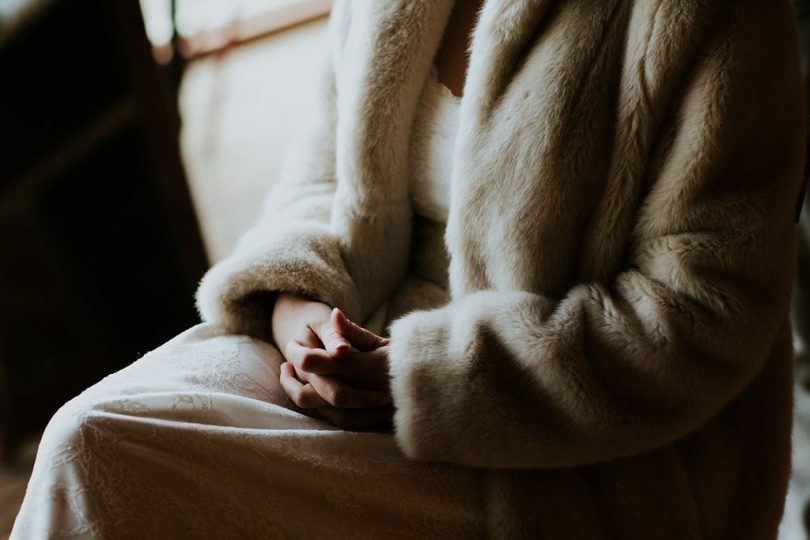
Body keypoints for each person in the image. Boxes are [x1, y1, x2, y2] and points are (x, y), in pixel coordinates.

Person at [12, 0, 806, 537]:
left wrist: (423, 380)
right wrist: (299, 314)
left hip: (571, 442)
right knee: (88, 439)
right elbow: (322, 173)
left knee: (116, 462)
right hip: (358, 336)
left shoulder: (705, 16)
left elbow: (700, 314)